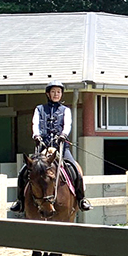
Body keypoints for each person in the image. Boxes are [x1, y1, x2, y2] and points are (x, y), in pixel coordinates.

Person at [11, 81, 92, 212]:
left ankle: (81, 200)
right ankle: (20, 201)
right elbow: (35, 124)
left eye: (58, 92)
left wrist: (63, 135)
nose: (56, 94)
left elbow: (68, 125)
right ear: (48, 94)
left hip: (60, 147)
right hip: (42, 147)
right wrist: (36, 135)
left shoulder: (66, 110)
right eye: (53, 92)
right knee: (23, 172)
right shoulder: (39, 109)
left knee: (76, 171)